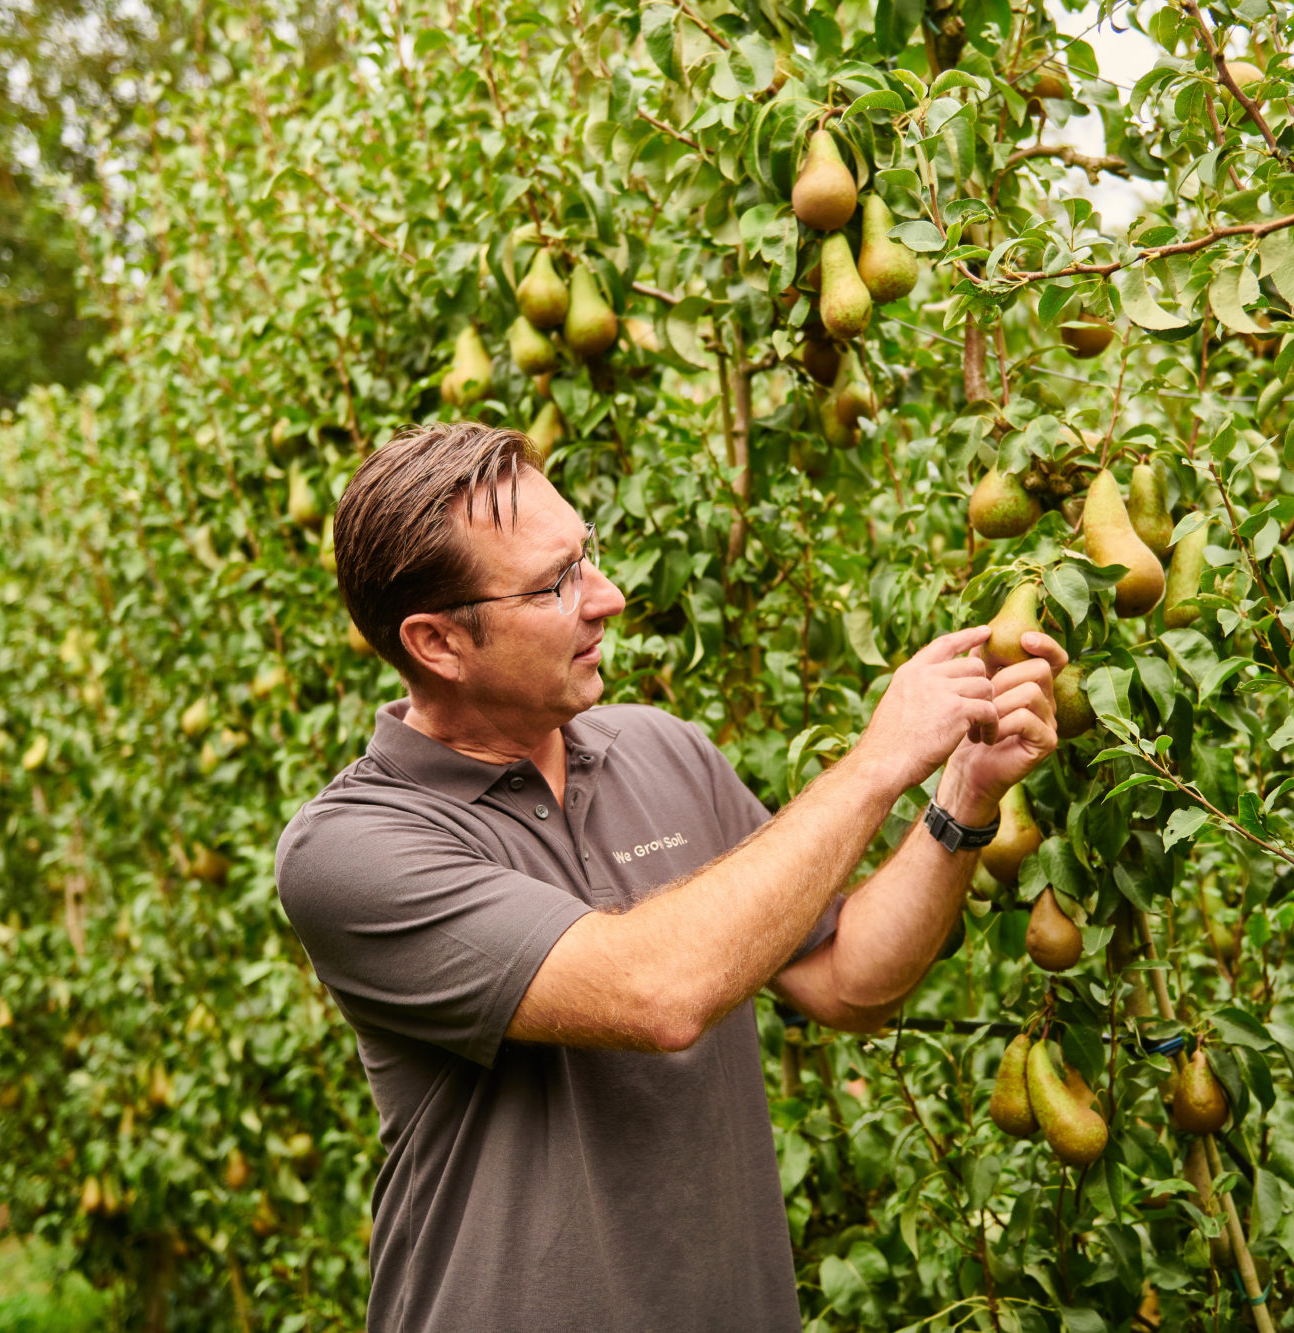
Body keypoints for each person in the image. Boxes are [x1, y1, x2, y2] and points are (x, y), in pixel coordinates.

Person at [275, 421, 1064, 1332]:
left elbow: (851, 982)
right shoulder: (356, 848)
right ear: (439, 643)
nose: (606, 597)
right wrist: (877, 759)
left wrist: (961, 796)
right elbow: (658, 994)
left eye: (589, 554)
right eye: (557, 582)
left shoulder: (663, 750)